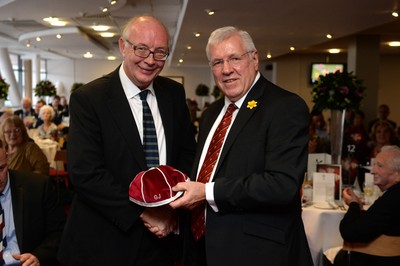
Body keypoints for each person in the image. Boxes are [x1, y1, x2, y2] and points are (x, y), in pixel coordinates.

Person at [57, 15, 196, 266]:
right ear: (123, 46)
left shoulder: (173, 93)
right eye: (141, 48)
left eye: (160, 52)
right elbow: (85, 173)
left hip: (162, 240)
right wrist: (145, 211)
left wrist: (170, 207)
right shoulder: (89, 99)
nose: (150, 60)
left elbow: (186, 154)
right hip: (107, 242)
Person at [170, 26, 313, 265]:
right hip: (201, 248)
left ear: (254, 59)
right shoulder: (211, 113)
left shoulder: (285, 107)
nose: (226, 70)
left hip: (256, 253)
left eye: (234, 58)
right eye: (217, 62)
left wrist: (208, 192)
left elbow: (282, 184)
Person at [0, 141, 66, 266]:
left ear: (7, 159)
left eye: (1, 168)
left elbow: (60, 233)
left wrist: (38, 256)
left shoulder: (38, 187)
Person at [336, 145, 400, 266]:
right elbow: (379, 222)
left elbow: (349, 232)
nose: (372, 171)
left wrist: (353, 204)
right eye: (374, 165)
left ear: (397, 174)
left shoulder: (392, 199)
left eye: (380, 166)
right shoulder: (394, 195)